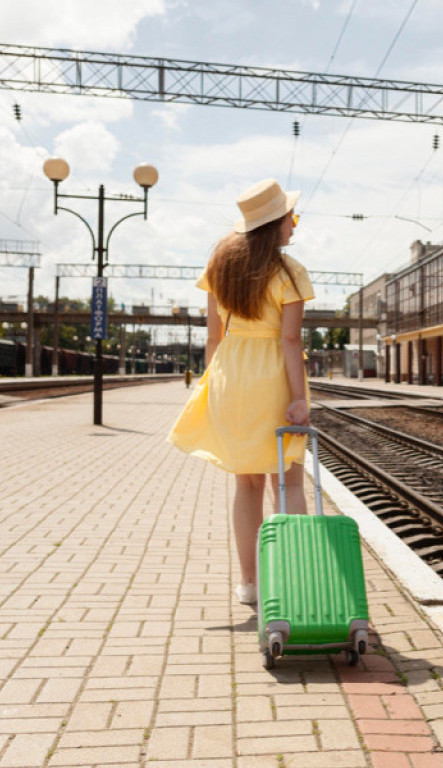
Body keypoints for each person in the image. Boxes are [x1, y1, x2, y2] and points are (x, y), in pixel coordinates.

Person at [167, 179, 313, 607]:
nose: (295, 227)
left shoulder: (220, 267)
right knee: (287, 481)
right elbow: (289, 341)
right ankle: (294, 580)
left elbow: (214, 337)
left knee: (246, 485)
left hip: (230, 377)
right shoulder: (290, 272)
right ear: (275, 225)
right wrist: (299, 397)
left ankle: (250, 585)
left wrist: (212, 387)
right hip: (272, 377)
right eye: (292, 219)